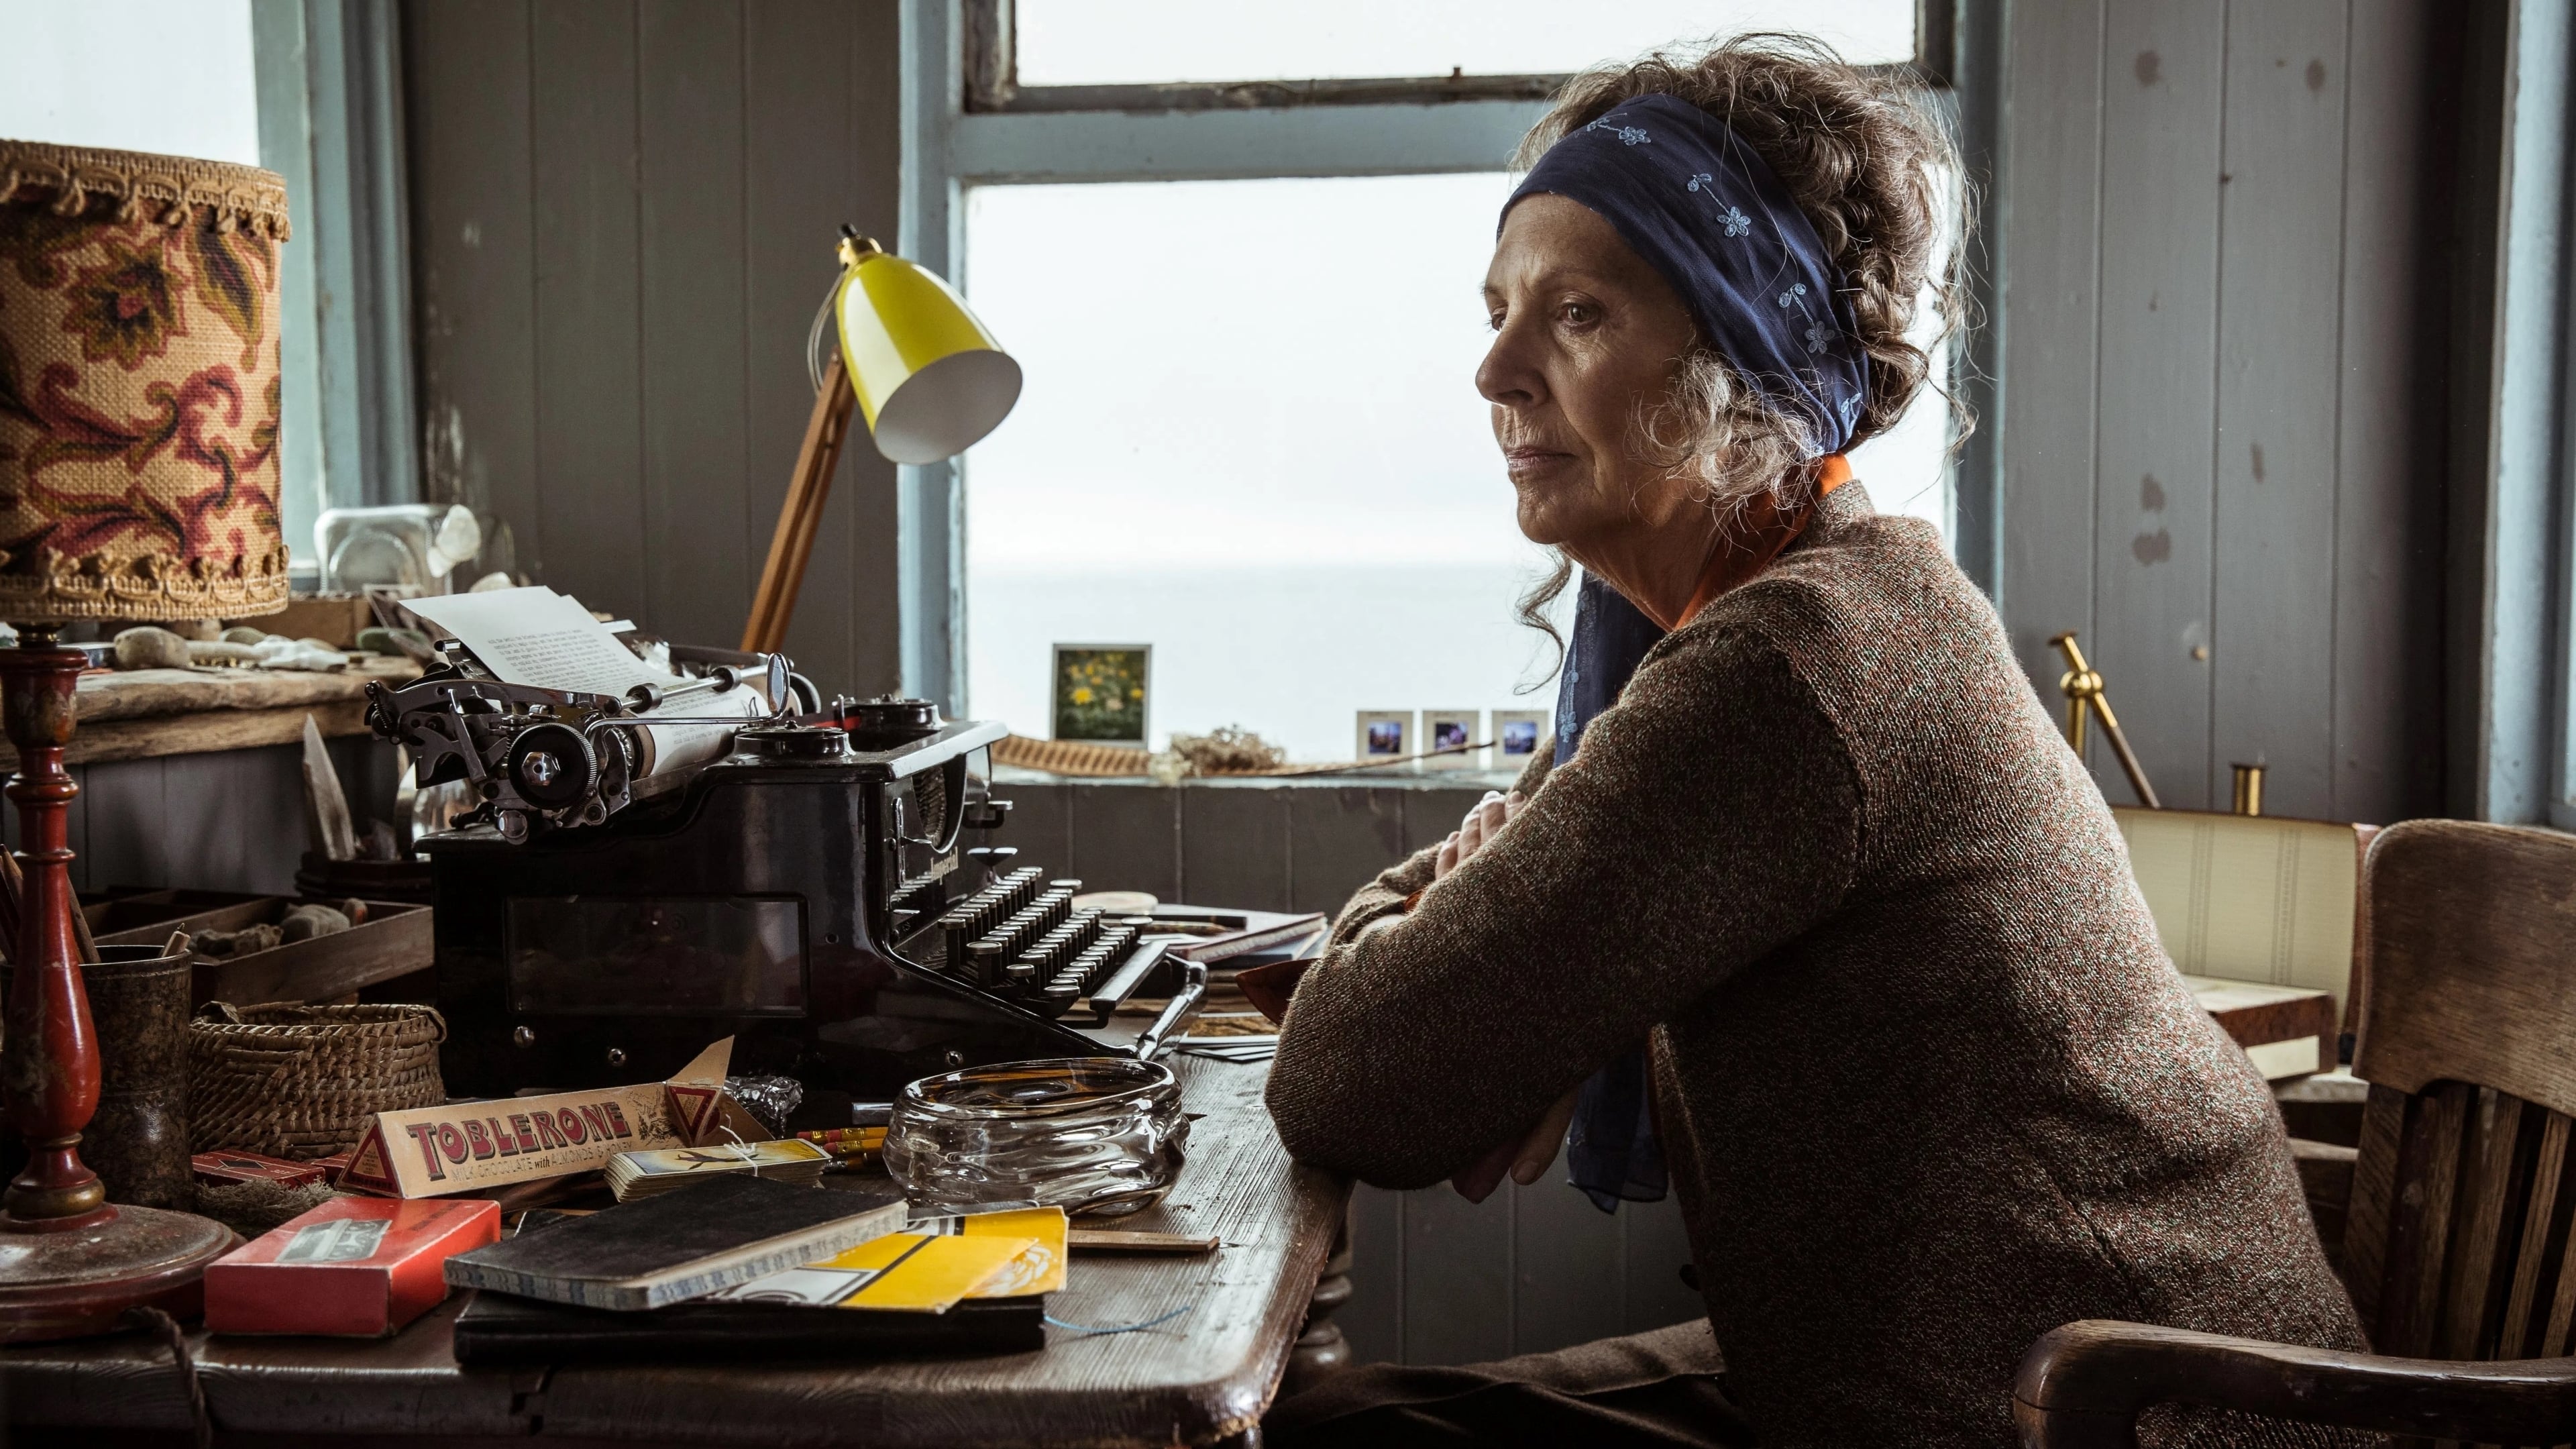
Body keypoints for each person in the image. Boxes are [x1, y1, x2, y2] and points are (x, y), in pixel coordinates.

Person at [1262, 36, 2364, 1449]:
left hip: (2116, 1417)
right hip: (1951, 1377)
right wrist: (1463, 929)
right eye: (1498, 311)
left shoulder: (1788, 668)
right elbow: (1401, 1027)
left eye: (1578, 313)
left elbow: (1350, 1077)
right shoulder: (1772, 617)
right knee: (1338, 1423)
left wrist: (1452, 929)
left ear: (1737, 363)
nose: (1495, 370)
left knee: (1319, 1435)